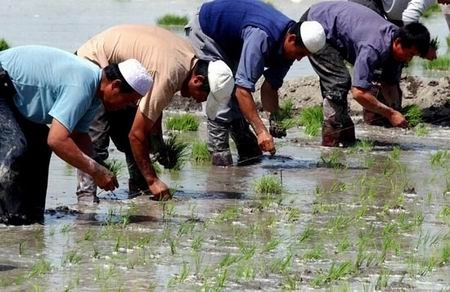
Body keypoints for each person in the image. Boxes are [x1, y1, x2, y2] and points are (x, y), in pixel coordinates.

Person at [75, 24, 235, 203]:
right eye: (204, 96)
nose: (200, 101)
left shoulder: (187, 59)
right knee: (97, 140)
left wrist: (157, 142)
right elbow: (137, 135)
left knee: (130, 130)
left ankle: (140, 186)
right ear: (197, 80)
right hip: (94, 64)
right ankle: (86, 198)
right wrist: (154, 180)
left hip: (125, 77)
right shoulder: (168, 74)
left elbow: (152, 108)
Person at [0, 45, 152, 225]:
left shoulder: (95, 95)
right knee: (16, 148)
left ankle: (30, 217)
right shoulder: (82, 84)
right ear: (115, 85)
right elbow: (57, 140)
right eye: (127, 100)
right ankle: (6, 221)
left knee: (40, 146)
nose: (126, 106)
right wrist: (95, 170)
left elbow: (79, 136)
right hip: (3, 81)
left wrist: (97, 167)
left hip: (13, 94)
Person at [185, 0, 326, 165]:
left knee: (234, 97)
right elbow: (242, 90)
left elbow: (270, 87)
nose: (300, 58)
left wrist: (274, 118)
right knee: (220, 93)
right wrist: (261, 132)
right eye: (301, 53)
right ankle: (220, 159)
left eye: (305, 55)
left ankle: (246, 151)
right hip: (208, 30)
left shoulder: (289, 49)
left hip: (235, 39)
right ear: (292, 39)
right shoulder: (262, 36)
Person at [300, 1, 431, 147]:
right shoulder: (374, 48)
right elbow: (359, 93)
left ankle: (344, 136)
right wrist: (390, 114)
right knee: (338, 81)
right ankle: (331, 141)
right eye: (410, 53)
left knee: (348, 82)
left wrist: (397, 110)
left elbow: (389, 84)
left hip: (338, 23)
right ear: (398, 42)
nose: (409, 59)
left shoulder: (396, 45)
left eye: (414, 55)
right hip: (316, 25)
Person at [349, 0, 450, 60]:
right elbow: (409, 17)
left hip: (388, 10)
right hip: (369, 2)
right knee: (378, 46)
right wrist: (424, 49)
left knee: (397, 55)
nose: (446, 4)